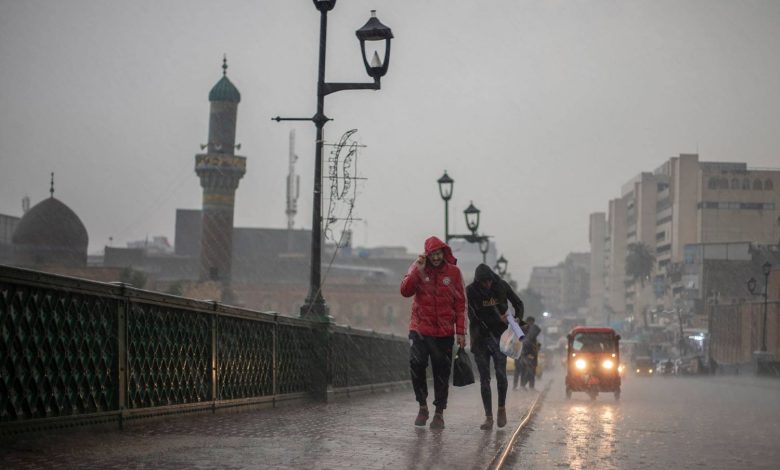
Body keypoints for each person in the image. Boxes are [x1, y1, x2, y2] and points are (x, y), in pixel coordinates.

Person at [400, 236, 466, 430]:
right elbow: (405, 291)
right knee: (416, 364)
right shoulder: (418, 268)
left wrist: (461, 331)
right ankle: (422, 406)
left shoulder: (453, 273)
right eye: (432, 254)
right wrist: (417, 272)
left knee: (441, 372)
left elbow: (460, 304)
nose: (436, 258)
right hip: (420, 329)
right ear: (427, 255)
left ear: (443, 253)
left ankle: (439, 413)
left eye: (439, 254)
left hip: (444, 332)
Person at [467, 263, 524, 430]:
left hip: (500, 338)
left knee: (501, 375)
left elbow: (518, 303)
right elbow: (474, 316)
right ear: (478, 282)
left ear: (492, 278)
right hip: (480, 339)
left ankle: (501, 409)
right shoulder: (471, 291)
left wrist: (518, 319)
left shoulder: (501, 286)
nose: (487, 284)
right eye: (483, 282)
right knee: (484, 378)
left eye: (489, 281)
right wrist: (498, 319)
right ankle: (488, 417)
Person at [518, 316, 541, 390]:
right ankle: (523, 385)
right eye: (530, 322)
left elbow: (537, 331)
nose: (531, 324)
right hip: (526, 352)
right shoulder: (523, 329)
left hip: (532, 352)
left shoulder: (534, 329)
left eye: (532, 323)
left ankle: (530, 386)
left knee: (532, 370)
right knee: (527, 370)